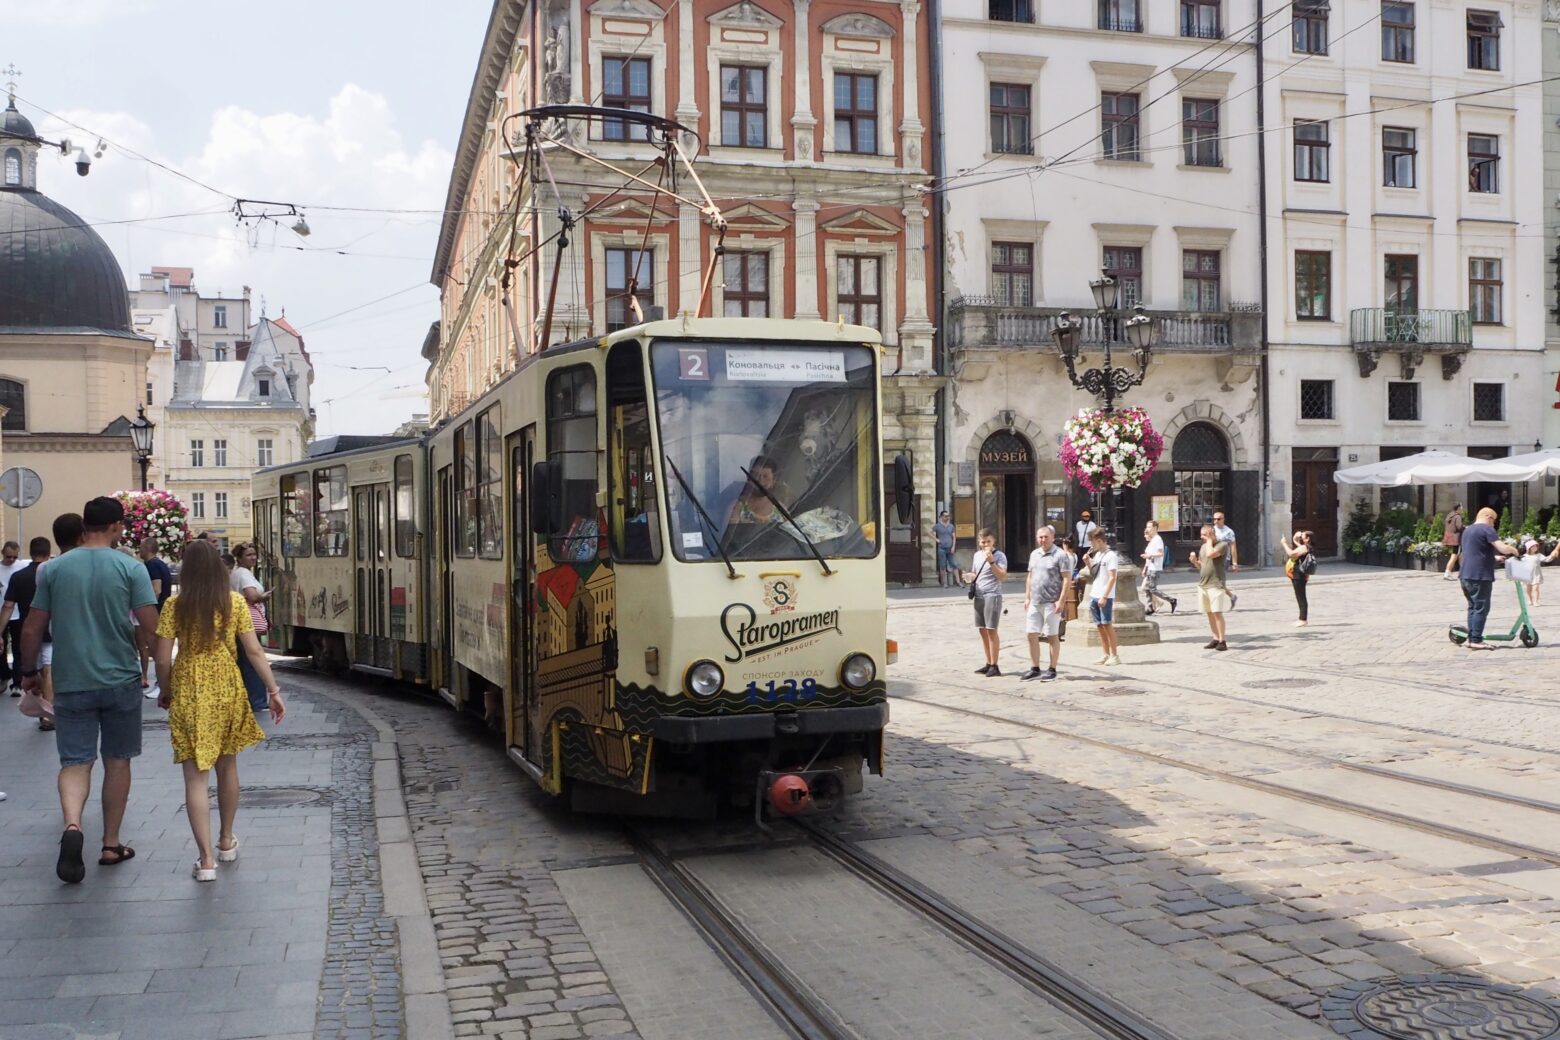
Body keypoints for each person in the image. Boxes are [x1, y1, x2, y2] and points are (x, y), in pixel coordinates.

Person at [18, 497, 158, 883]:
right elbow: (151, 626)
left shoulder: (54, 570)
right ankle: (111, 844)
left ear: (84, 525)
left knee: (75, 762)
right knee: (118, 760)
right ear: (115, 526)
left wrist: (29, 672)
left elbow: (32, 627)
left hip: (72, 680)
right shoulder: (131, 568)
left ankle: (73, 827)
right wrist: (165, 675)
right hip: (121, 680)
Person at [154, 540, 285, 882]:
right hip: (226, 683)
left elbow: (163, 656)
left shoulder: (174, 605)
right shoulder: (234, 602)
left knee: (195, 777)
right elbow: (254, 651)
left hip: (189, 684)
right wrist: (273, 690)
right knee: (227, 765)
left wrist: (165, 690)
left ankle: (206, 859)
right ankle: (226, 840)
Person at [0, 537, 54, 730]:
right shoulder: (54, 573)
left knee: (37, 670)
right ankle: (49, 714)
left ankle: (44, 710)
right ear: (48, 553)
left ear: (30, 553)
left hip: (26, 630)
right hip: (51, 629)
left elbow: (8, 606)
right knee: (48, 670)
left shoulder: (19, 576)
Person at [1458, 507, 1518, 651]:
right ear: (1488, 517)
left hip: (1465, 574)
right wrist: (1513, 550)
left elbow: (1474, 551)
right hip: (1480, 575)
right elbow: (1502, 548)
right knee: (1481, 608)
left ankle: (1472, 637)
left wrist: (1494, 557)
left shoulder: (1467, 530)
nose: (1494, 524)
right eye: (1494, 520)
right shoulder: (1486, 529)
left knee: (1473, 607)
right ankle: (1476, 640)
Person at [1021, 525, 1071, 682]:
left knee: (1052, 636)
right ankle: (1035, 667)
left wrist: (1061, 600)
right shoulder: (1034, 554)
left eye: (1046, 537)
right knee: (1031, 634)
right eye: (1040, 537)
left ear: (1053, 537)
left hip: (1052, 601)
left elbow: (1067, 579)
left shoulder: (1060, 555)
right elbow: (1030, 576)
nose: (1043, 539)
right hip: (1035, 601)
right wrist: (1027, 597)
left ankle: (1052, 668)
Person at [230, 543, 274, 712]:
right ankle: (258, 701)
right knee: (253, 662)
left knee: (244, 662)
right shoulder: (244, 574)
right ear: (240, 558)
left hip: (239, 622)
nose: (253, 557)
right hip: (248, 623)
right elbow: (252, 596)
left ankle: (247, 699)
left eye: (254, 554)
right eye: (249, 555)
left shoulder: (235, 573)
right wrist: (264, 596)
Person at [963, 528, 1008, 676]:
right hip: (979, 595)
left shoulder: (1000, 556)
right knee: (982, 630)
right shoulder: (977, 555)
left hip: (992, 595)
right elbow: (976, 573)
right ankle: (988, 662)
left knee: (991, 630)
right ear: (979, 542)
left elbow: (1001, 576)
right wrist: (969, 576)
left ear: (993, 541)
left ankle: (995, 665)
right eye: (983, 542)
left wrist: (992, 562)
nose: (985, 544)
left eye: (988, 541)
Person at [138, 538, 172, 693]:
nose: (139, 550)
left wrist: (148, 609)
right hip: (163, 609)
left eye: (141, 547)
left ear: (147, 548)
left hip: (157, 611)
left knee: (156, 647)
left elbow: (156, 589)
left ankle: (162, 683)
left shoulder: (152, 565)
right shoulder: (160, 564)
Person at [1190, 524, 1231, 651]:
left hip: (1216, 583)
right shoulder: (1203, 546)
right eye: (1202, 535)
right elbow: (1202, 566)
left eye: (1204, 535)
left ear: (1211, 533)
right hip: (1203, 584)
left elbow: (1211, 554)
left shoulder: (1222, 545)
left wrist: (1209, 541)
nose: (1202, 538)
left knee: (1217, 613)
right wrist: (1194, 562)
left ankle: (1222, 640)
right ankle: (1215, 638)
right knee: (1209, 613)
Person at [1087, 529, 1121, 665]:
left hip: (1104, 595)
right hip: (1094, 593)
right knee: (1100, 625)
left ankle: (1115, 655)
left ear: (1099, 541)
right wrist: (1088, 562)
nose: (1091, 545)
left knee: (1107, 624)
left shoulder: (1110, 556)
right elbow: (1095, 574)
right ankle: (1105, 653)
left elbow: (1112, 577)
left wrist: (1105, 596)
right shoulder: (1098, 555)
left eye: (1093, 542)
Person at [727, 455, 785, 526]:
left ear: (773, 481)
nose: (760, 481)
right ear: (748, 479)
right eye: (756, 475)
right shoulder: (736, 508)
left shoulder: (781, 510)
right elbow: (730, 535)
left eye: (765, 476)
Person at [1139, 520, 1176, 616]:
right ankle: (1150, 607)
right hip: (1150, 567)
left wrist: (1149, 555)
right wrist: (1146, 565)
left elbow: (1161, 553)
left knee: (1152, 589)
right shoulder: (1153, 540)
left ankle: (1171, 599)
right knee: (1147, 588)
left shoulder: (1158, 539)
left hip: (1155, 567)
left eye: (1149, 527)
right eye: (1147, 527)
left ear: (1155, 528)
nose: (1148, 529)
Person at [1280, 530, 1315, 626]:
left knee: (1301, 597)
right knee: (1300, 596)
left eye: (1303, 536)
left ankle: (1303, 619)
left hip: (1299, 575)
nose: (1301, 537)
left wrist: (1284, 544)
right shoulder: (1307, 547)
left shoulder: (1305, 547)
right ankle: (1302, 619)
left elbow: (1291, 553)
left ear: (1307, 539)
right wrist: (1295, 538)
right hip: (1300, 575)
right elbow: (1297, 544)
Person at [0, 540, 19, 694]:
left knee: (18, 648)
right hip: (1, 613)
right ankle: (4, 675)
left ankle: (17, 683)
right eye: (9, 557)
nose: (12, 560)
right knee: (2, 647)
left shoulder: (21, 567)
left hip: (18, 613)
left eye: (14, 557)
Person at [932, 511, 960, 588]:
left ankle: (958, 581)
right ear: (941, 517)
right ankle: (944, 583)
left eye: (948, 516)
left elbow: (954, 537)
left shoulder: (951, 526)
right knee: (943, 566)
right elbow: (930, 533)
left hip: (950, 548)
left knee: (954, 564)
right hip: (942, 548)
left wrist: (953, 546)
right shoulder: (937, 526)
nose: (947, 517)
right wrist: (936, 539)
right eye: (945, 516)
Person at [1442, 506, 1465, 580]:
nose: (1462, 510)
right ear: (1458, 509)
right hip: (1456, 539)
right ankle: (1447, 573)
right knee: (1454, 556)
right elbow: (1459, 527)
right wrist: (1465, 527)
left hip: (1450, 538)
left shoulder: (1450, 515)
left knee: (1460, 555)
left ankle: (1462, 572)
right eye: (1461, 508)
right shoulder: (1457, 516)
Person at [1520, 538, 1544, 607]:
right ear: (1529, 548)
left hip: (1536, 574)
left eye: (1536, 546)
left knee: (1536, 588)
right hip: (1527, 575)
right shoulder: (1524, 556)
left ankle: (1536, 601)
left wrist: (1552, 555)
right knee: (1529, 588)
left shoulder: (1539, 555)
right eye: (1533, 546)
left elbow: (1547, 559)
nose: (1535, 548)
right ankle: (1530, 599)